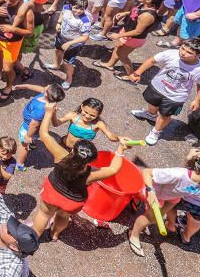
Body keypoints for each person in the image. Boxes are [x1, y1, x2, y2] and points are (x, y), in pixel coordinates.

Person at [30, 103, 129, 240]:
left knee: (44, 214)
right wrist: (120, 150)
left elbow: (44, 133)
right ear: (90, 161)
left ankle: (33, 237)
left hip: (52, 192)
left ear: (73, 150)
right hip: (73, 202)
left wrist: (48, 112)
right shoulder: (91, 174)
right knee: (63, 216)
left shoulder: (61, 155)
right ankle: (54, 235)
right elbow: (113, 169)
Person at [129, 37, 200, 145]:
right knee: (152, 103)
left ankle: (156, 131)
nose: (183, 53)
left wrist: (197, 100)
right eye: (182, 48)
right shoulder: (171, 54)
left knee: (165, 116)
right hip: (157, 86)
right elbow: (152, 60)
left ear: (198, 55)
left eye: (189, 52)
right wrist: (137, 73)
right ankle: (150, 115)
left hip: (176, 97)